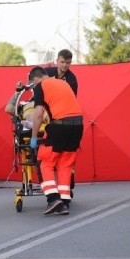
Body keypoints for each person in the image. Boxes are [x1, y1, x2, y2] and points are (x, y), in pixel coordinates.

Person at [27, 66, 83, 215]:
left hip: (60, 126)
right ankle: (64, 202)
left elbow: (38, 114)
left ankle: (52, 199)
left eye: (32, 85)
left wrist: (33, 137)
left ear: (35, 79)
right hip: (78, 126)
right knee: (65, 163)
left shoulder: (41, 86)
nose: (33, 88)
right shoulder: (62, 83)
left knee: (45, 161)